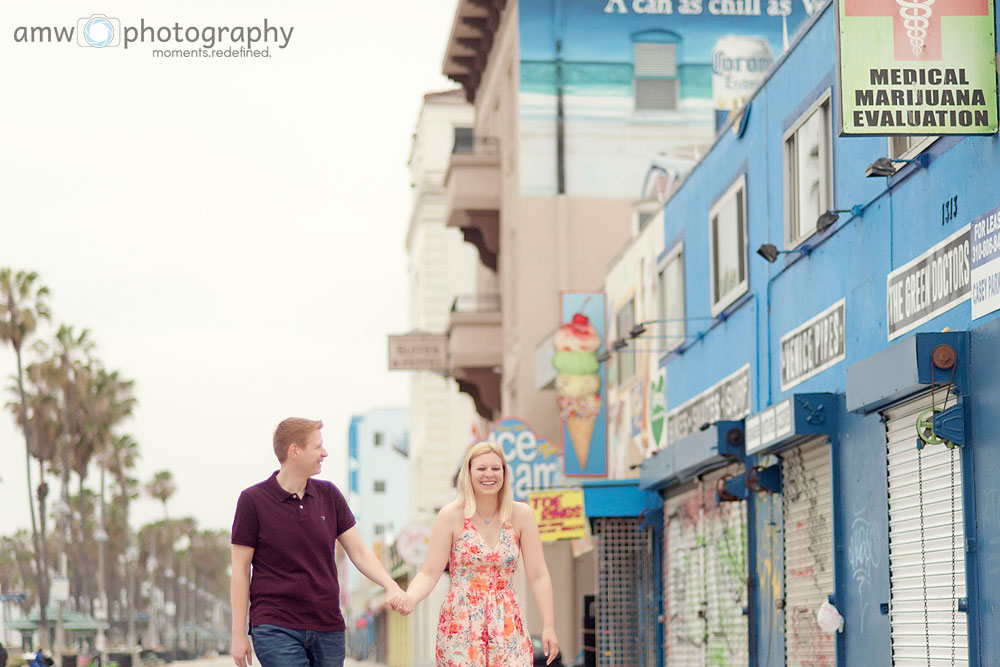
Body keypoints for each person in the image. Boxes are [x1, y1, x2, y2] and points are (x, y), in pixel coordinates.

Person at [230, 417, 406, 667]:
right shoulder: (253, 501)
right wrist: (238, 634)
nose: (325, 453)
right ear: (295, 451)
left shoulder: (329, 495)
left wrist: (391, 585)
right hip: (275, 626)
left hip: (328, 626)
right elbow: (239, 570)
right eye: (318, 446)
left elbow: (359, 551)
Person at [393, 440, 559, 666]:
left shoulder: (521, 515)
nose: (488, 474)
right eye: (481, 468)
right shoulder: (451, 515)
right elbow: (430, 573)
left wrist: (548, 625)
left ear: (504, 473)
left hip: (506, 618)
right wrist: (409, 598)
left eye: (495, 468)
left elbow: (538, 574)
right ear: (468, 473)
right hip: (462, 621)